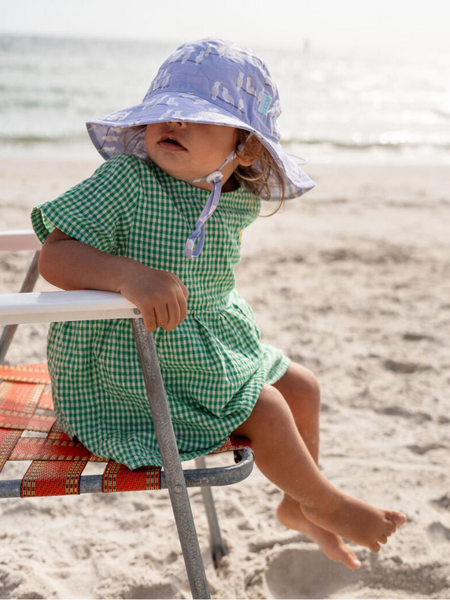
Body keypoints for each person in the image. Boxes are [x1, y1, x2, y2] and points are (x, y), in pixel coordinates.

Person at [32, 38, 406, 571]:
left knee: (301, 385)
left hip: (197, 348)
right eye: (166, 113)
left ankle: (299, 505)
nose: (175, 124)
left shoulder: (230, 198)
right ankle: (328, 504)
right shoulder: (127, 182)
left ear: (245, 150)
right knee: (269, 408)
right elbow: (55, 255)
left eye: (196, 116)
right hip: (123, 368)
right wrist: (127, 275)